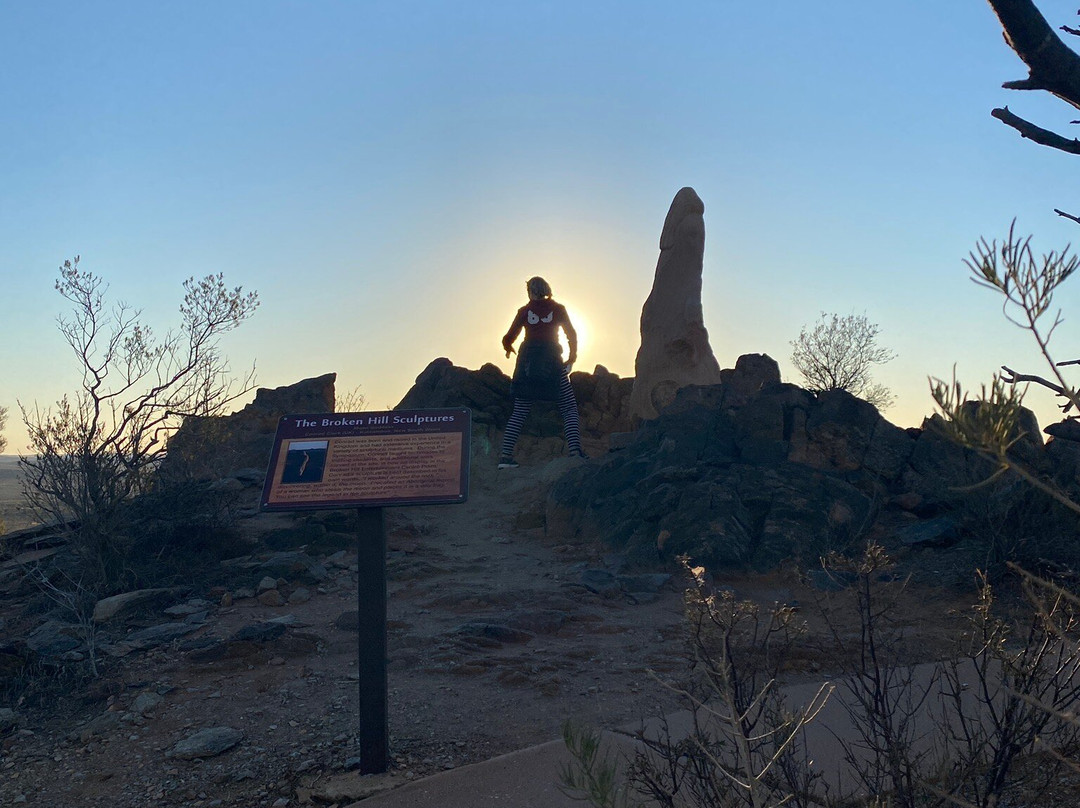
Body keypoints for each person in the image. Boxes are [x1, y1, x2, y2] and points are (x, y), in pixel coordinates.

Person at [498, 276, 587, 468]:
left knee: (519, 411)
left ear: (529, 291)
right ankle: (575, 452)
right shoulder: (558, 309)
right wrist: (572, 358)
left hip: (527, 367)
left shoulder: (523, 311)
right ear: (547, 289)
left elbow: (508, 337)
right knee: (569, 407)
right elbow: (571, 334)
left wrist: (508, 348)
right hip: (553, 363)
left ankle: (505, 457)